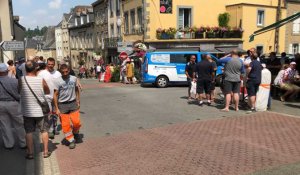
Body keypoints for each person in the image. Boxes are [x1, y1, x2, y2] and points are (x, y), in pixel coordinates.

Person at [19, 60, 51, 159]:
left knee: (29, 132)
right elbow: (47, 91)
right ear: (35, 69)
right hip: (40, 111)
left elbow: (19, 91)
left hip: (27, 111)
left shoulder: (21, 79)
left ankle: (30, 153)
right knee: (44, 131)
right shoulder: (41, 80)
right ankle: (45, 152)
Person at [53, 64, 82, 149]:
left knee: (77, 122)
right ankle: (71, 140)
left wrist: (78, 100)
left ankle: (75, 133)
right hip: (62, 105)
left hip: (73, 103)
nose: (65, 73)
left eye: (66, 71)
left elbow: (76, 89)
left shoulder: (73, 78)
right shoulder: (58, 81)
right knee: (65, 125)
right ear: (60, 72)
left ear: (69, 70)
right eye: (63, 72)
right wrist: (57, 108)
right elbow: (55, 95)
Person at [0, 63, 26, 149]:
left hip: (1, 104)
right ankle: (23, 143)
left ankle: (9, 144)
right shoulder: (15, 81)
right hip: (14, 103)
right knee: (19, 124)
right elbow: (20, 93)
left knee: (5, 125)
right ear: (7, 71)